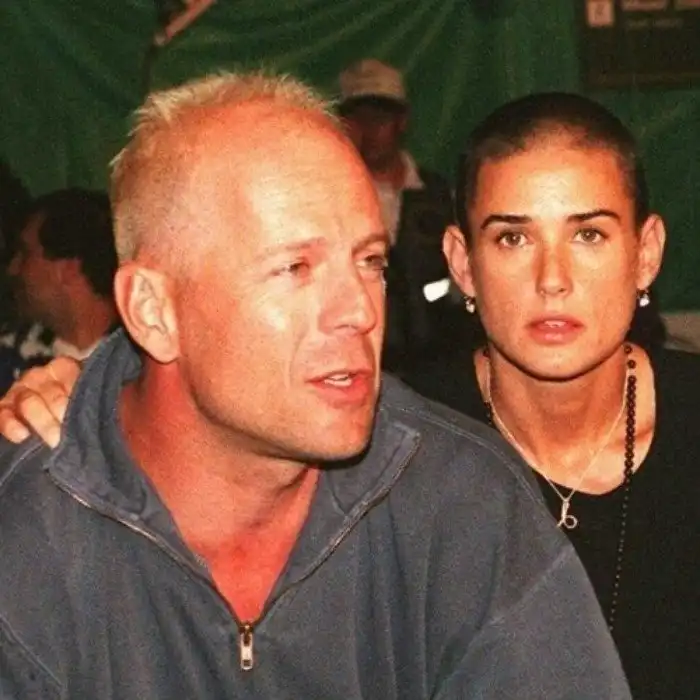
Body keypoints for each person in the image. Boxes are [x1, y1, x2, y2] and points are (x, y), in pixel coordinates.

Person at [0, 73, 630, 698]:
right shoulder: (27, 530)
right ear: (153, 310)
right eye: (296, 268)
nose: (359, 309)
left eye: (370, 261)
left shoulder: (459, 502)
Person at [403, 92, 698, 699]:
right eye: (513, 239)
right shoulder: (399, 451)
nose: (553, 280)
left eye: (588, 234)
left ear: (645, 254)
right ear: (463, 263)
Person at [338, 59, 469, 374]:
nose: (370, 131)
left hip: (443, 362)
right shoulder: (330, 201)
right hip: (362, 361)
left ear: (401, 121)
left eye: (379, 118)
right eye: (359, 119)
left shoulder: (439, 196)